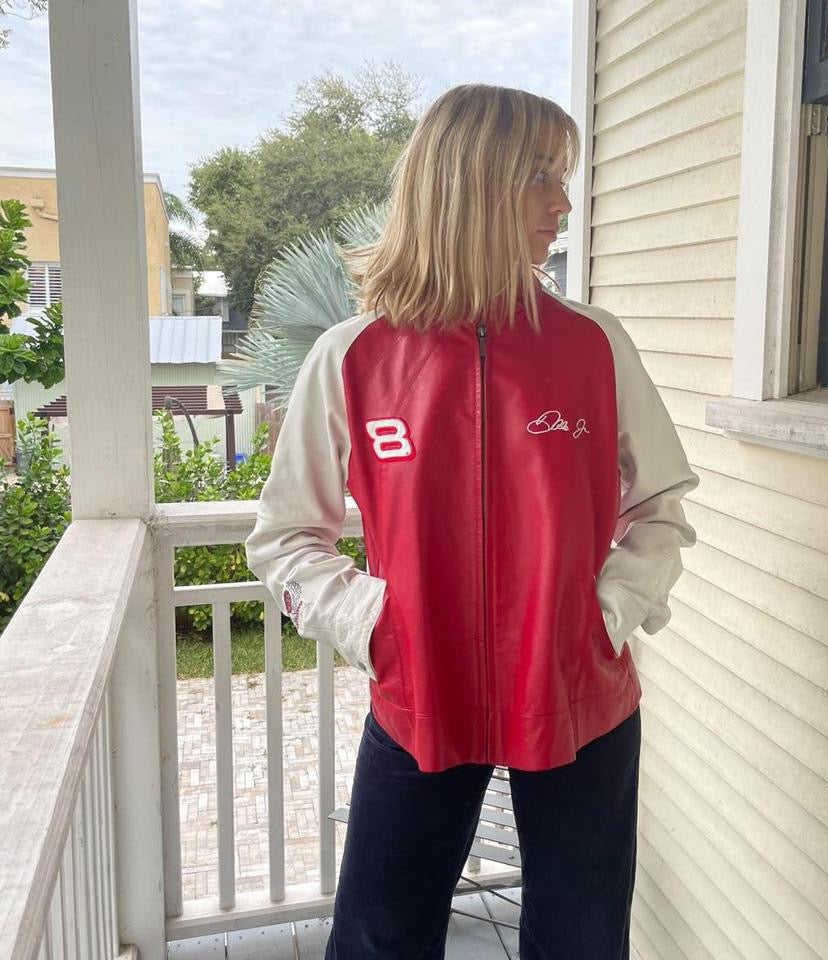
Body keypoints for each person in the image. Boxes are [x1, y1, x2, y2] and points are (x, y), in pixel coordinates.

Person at [244, 82, 700, 960]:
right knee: (379, 937)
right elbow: (287, 534)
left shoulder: (593, 346)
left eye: (562, 178)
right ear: (468, 185)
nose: (563, 204)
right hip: (420, 697)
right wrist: (377, 626)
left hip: (579, 699)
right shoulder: (352, 356)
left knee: (580, 938)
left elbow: (660, 507)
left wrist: (605, 613)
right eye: (541, 177)